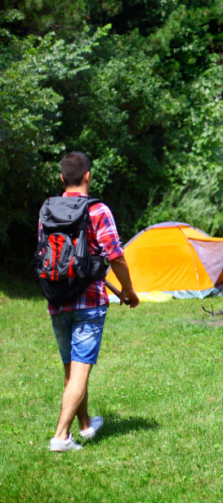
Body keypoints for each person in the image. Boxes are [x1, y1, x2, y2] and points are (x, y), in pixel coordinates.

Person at [43, 152, 140, 452]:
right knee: (81, 369)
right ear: (88, 176)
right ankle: (61, 437)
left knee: (72, 371)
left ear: (62, 178)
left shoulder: (47, 209)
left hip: (57, 299)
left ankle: (85, 427)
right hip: (88, 303)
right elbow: (116, 256)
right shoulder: (98, 210)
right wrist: (129, 290)